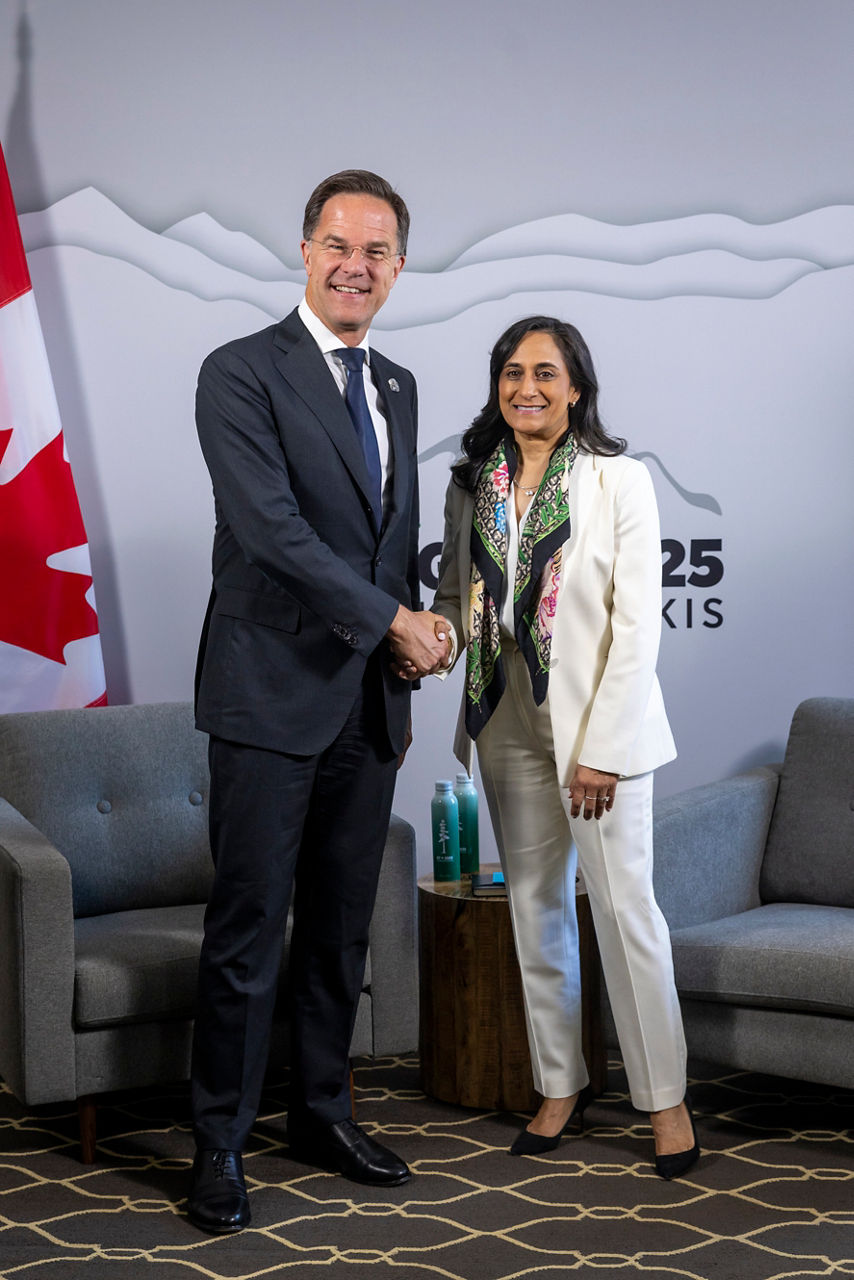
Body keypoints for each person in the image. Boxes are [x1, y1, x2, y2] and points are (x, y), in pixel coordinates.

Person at [188, 170, 449, 1234]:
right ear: (304, 251)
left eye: (376, 251)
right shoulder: (239, 372)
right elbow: (273, 535)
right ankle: (219, 1141)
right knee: (249, 929)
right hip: (267, 695)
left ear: (398, 267)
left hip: (367, 703)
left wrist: (415, 636)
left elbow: (388, 541)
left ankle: (321, 1113)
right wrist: (393, 623)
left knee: (340, 926)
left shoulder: (397, 383)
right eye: (339, 245)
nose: (356, 265)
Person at [428, 315, 699, 1178]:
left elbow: (637, 628)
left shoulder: (620, 480)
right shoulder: (472, 483)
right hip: (502, 710)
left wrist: (605, 749)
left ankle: (665, 1101)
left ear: (576, 387)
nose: (527, 388)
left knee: (625, 914)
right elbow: (455, 596)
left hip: (596, 728)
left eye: (546, 372)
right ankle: (559, 1085)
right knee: (536, 907)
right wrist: (426, 641)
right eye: (513, 372)